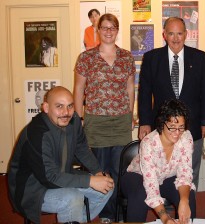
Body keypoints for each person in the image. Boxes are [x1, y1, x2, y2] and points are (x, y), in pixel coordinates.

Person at [8, 86, 114, 224]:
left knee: (107, 186)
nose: (66, 112)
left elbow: (82, 148)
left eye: (70, 106)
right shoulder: (36, 134)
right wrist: (90, 181)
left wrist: (97, 172)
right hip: (33, 188)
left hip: (61, 174)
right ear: (46, 108)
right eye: (59, 106)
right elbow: (50, 178)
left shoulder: (73, 120)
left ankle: (74, 220)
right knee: (72, 198)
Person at [138, 17, 205, 189]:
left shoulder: (200, 58)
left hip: (192, 125)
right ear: (164, 35)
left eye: (179, 33)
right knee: (163, 169)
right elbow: (144, 93)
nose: (176, 38)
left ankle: (188, 203)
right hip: (162, 127)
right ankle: (166, 205)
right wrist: (145, 122)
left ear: (186, 34)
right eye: (171, 33)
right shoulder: (151, 58)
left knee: (190, 169)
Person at [74, 13, 135, 220]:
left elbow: (130, 89)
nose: (109, 31)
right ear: (98, 30)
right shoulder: (86, 58)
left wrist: (130, 114)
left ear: (117, 31)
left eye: (113, 27)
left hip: (120, 122)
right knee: (99, 170)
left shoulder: (126, 57)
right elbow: (79, 88)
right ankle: (105, 214)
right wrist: (78, 118)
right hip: (95, 122)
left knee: (119, 171)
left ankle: (118, 212)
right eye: (105, 27)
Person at [121, 99, 196, 223]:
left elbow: (185, 173)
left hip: (166, 177)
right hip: (137, 176)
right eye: (172, 127)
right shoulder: (149, 143)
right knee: (140, 195)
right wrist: (165, 218)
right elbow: (151, 186)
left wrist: (184, 200)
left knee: (188, 195)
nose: (177, 133)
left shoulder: (186, 137)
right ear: (162, 124)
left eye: (181, 127)